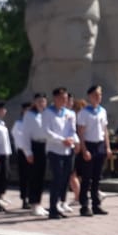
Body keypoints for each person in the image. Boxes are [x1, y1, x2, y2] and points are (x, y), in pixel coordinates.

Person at [43, 87, 79, 220]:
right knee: (57, 178)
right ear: (55, 98)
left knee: (64, 179)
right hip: (54, 149)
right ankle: (53, 208)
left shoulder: (69, 113)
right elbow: (47, 132)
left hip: (67, 150)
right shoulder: (48, 113)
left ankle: (59, 205)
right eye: (61, 98)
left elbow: (72, 130)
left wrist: (71, 140)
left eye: (65, 98)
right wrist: (61, 140)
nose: (64, 101)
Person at [76, 85, 112, 216]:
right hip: (89, 145)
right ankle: (84, 206)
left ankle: (96, 204)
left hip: (100, 145)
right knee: (86, 178)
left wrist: (107, 147)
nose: (98, 97)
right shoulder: (84, 113)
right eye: (96, 95)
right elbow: (80, 133)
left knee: (97, 178)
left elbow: (105, 130)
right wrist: (84, 150)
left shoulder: (102, 111)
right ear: (90, 96)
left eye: (100, 94)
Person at [22, 94, 49, 217]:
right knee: (34, 176)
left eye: (43, 101)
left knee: (41, 176)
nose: (41, 103)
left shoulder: (45, 114)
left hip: (45, 146)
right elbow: (25, 135)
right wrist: (28, 152)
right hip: (35, 146)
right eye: (39, 101)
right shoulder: (29, 115)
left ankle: (38, 203)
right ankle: (33, 203)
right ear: (34, 102)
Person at [12, 102, 32, 209]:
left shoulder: (33, 123)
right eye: (27, 110)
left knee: (32, 177)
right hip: (23, 153)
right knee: (24, 176)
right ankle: (24, 199)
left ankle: (32, 198)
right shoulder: (19, 124)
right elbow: (20, 141)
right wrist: (27, 152)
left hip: (33, 153)